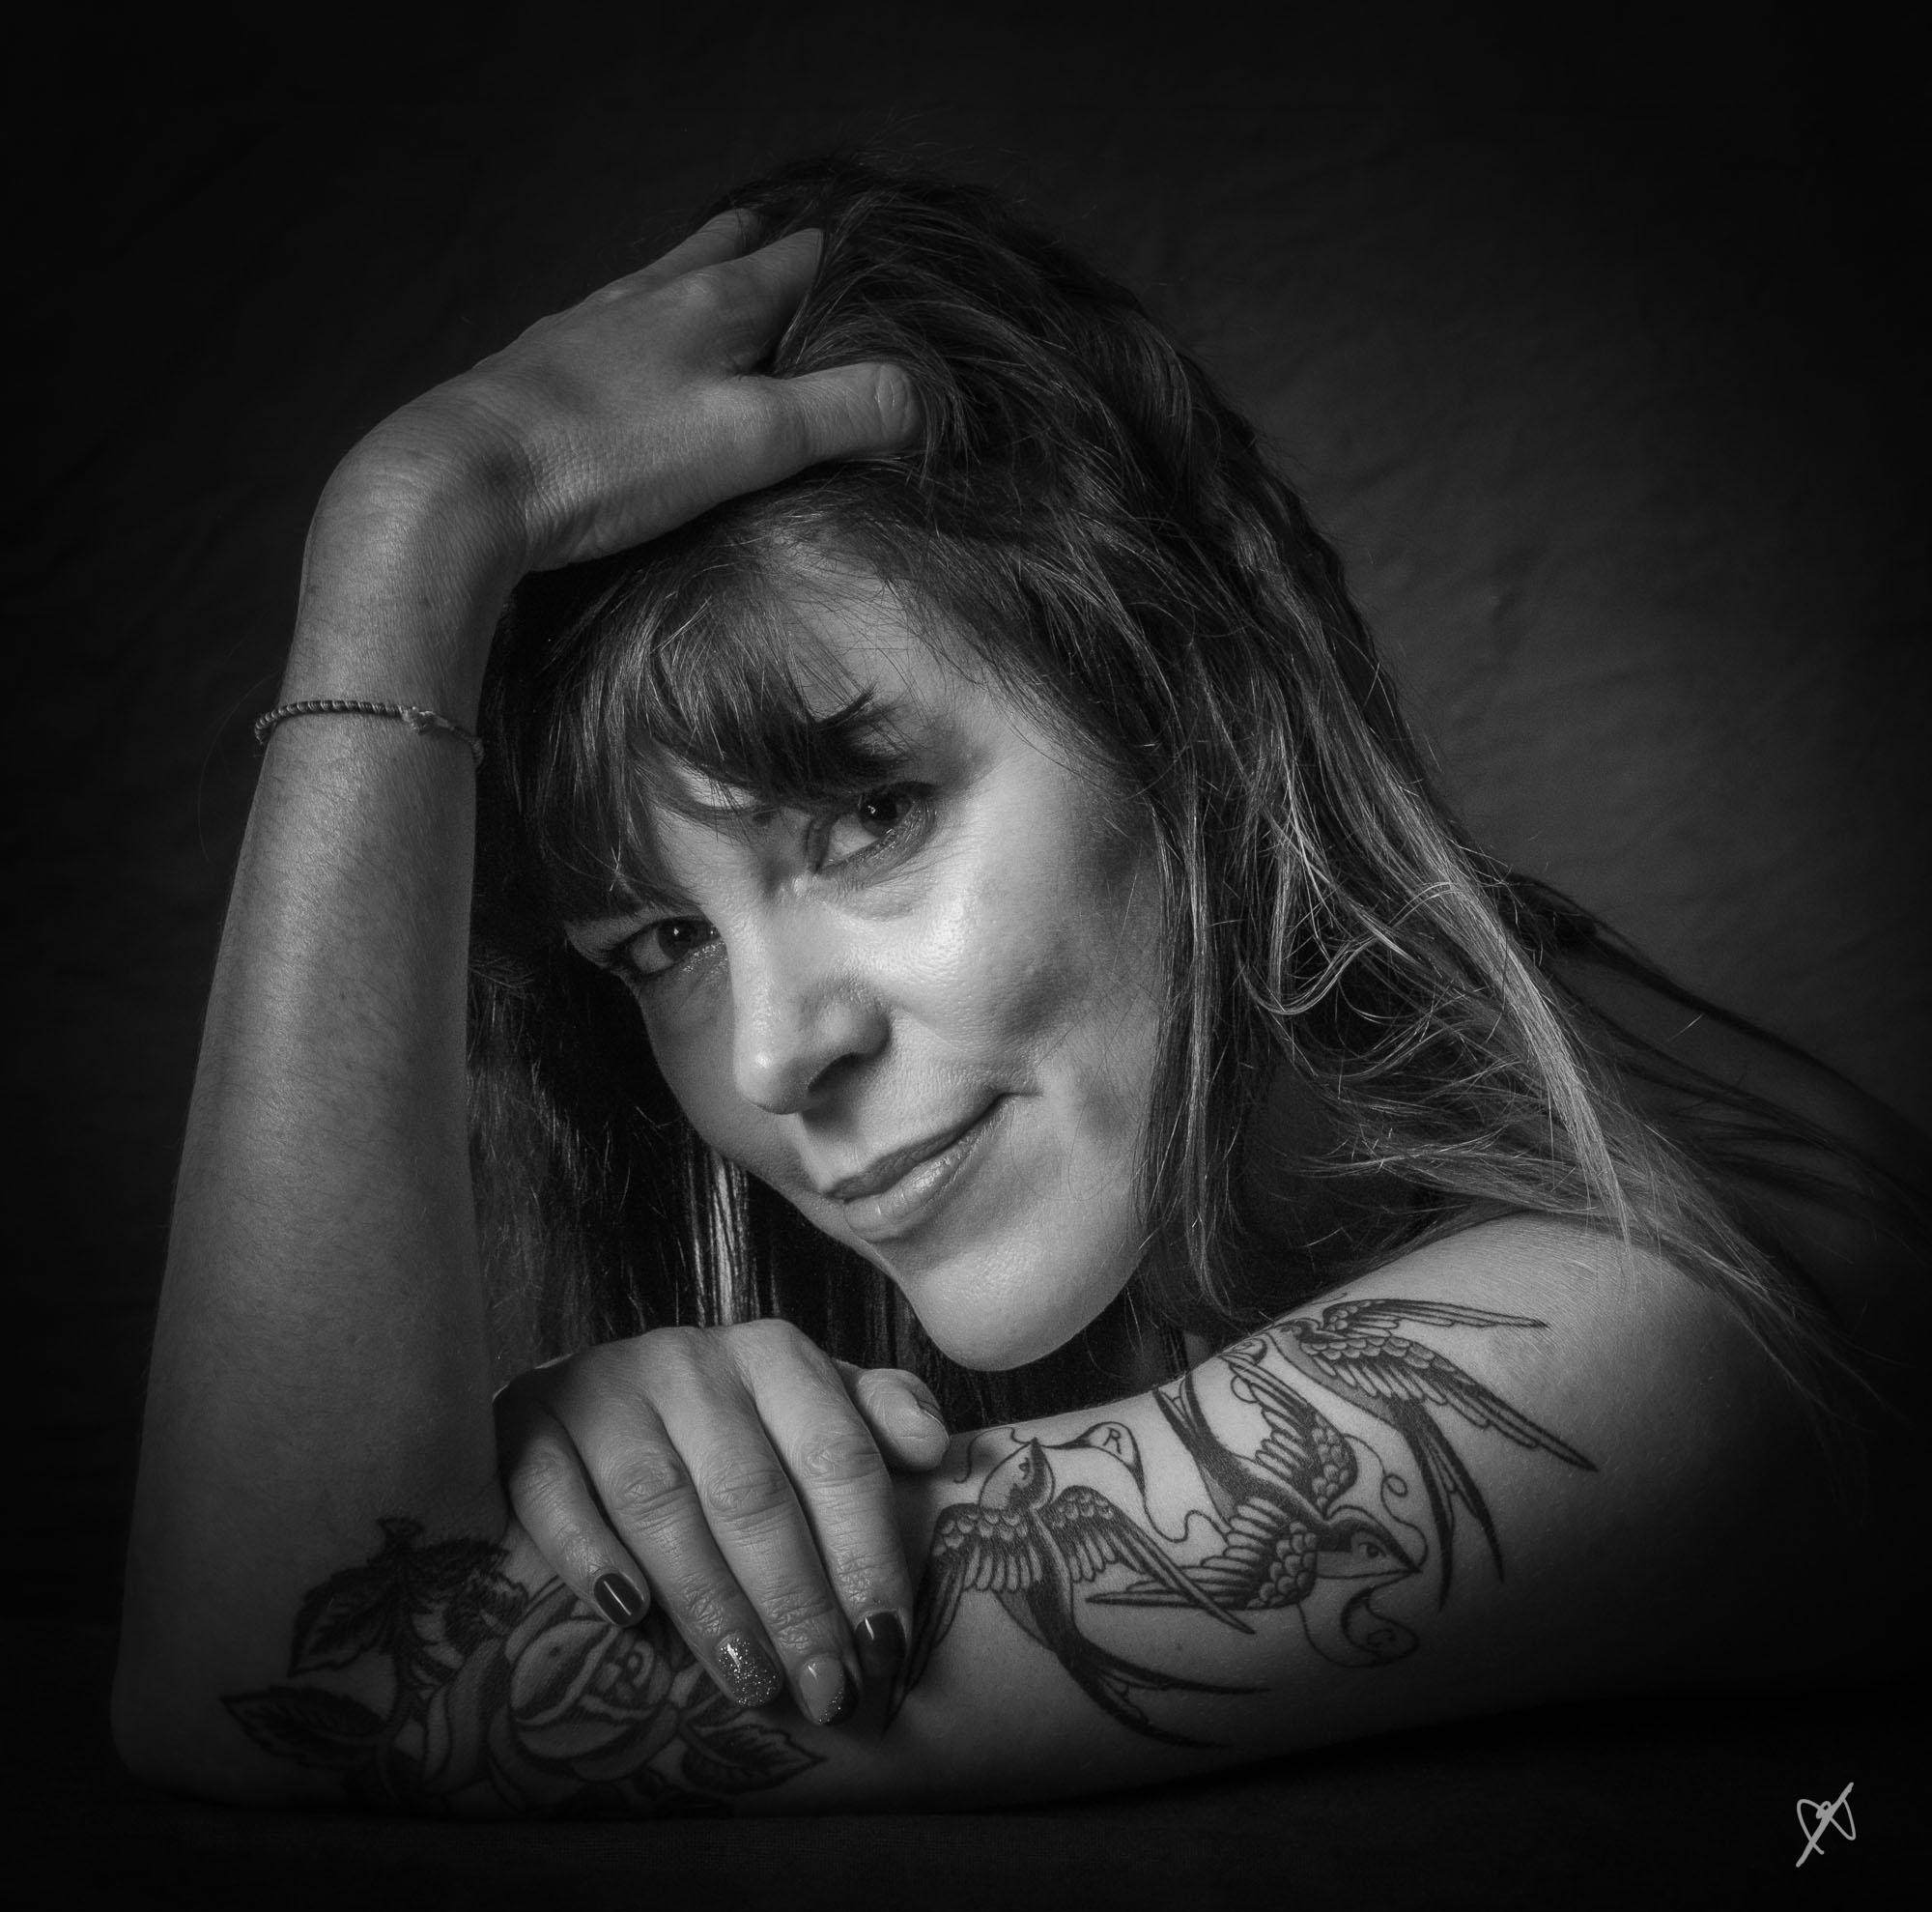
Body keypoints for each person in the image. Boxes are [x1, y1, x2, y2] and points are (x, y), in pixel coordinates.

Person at [113, 157, 1924, 1814]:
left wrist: (409, 536)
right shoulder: (1250, 1181)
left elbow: (300, 1677)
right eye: (663, 943)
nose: (774, 1057)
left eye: (870, 818)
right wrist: (625, 1475)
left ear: (1188, 704)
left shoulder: (1648, 1343)